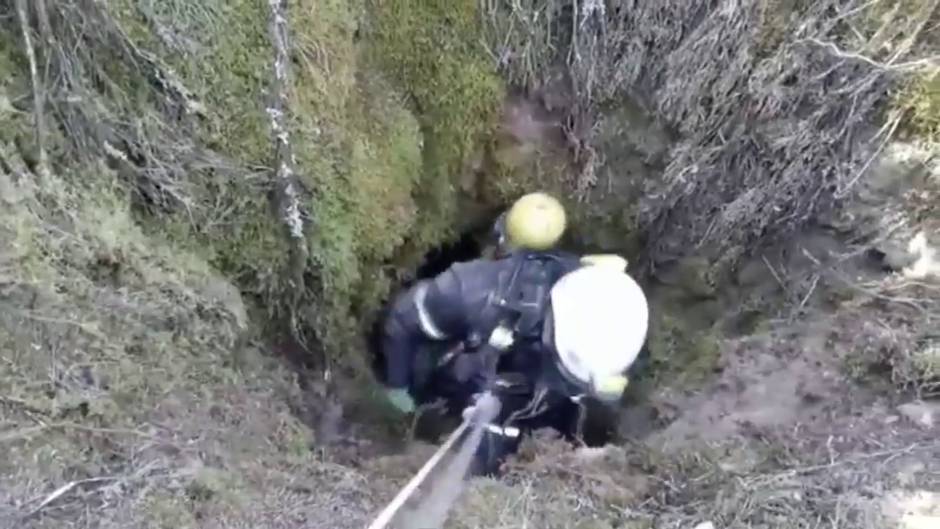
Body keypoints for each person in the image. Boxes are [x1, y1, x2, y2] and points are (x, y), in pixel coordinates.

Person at [378, 195, 649, 474]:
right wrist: (398, 387)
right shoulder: (470, 291)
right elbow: (404, 319)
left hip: (539, 408)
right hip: (470, 384)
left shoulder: (614, 331)